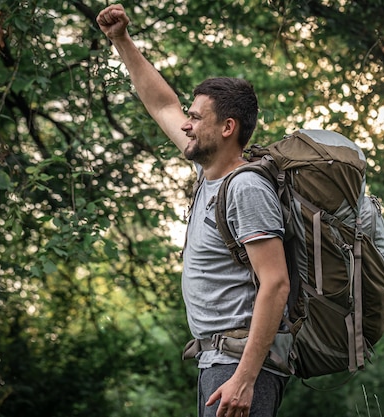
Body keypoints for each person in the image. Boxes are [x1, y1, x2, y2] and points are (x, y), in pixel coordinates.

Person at [96, 5, 291, 417]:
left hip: (238, 366)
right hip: (216, 363)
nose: (185, 124)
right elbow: (160, 103)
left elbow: (275, 284)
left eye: (196, 117)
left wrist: (245, 378)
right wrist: (121, 41)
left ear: (227, 128)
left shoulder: (246, 187)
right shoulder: (210, 176)